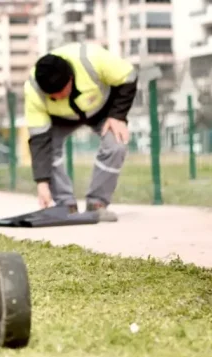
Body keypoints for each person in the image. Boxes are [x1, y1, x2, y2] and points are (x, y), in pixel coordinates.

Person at [24, 42, 137, 222]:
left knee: (116, 145)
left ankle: (97, 204)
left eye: (60, 92)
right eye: (52, 96)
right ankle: (65, 205)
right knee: (49, 148)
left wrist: (118, 116)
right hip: (60, 118)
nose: (57, 97)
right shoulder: (33, 90)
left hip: (102, 110)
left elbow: (128, 76)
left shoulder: (92, 59)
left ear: (70, 78)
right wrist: (42, 183)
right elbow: (39, 140)